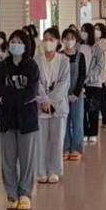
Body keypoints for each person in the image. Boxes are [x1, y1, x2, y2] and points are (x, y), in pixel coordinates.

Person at [0, 30, 41, 210]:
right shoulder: (3, 66)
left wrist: (10, 97)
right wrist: (13, 96)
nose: (15, 44)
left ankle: (25, 194)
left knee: (27, 159)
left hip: (26, 118)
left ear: (26, 45)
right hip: (6, 118)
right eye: (13, 41)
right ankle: (12, 194)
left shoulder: (32, 66)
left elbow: (31, 92)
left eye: (19, 42)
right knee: (8, 159)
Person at [34, 28, 71, 185]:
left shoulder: (64, 61)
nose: (48, 42)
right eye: (45, 39)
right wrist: (44, 100)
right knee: (41, 140)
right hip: (41, 106)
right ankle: (41, 171)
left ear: (57, 42)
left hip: (59, 106)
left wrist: (52, 101)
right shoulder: (36, 60)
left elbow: (64, 83)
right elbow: (35, 82)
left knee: (57, 139)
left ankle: (54, 170)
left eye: (51, 39)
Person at [64, 27, 94, 161]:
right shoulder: (59, 56)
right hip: (62, 94)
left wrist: (75, 93)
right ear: (62, 40)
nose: (69, 41)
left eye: (72, 39)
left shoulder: (80, 56)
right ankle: (65, 147)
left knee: (77, 121)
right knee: (64, 122)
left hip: (77, 93)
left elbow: (82, 76)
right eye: (66, 38)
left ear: (76, 41)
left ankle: (76, 148)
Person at [88, 23, 106, 142]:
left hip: (102, 76)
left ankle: (105, 119)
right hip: (91, 79)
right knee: (96, 101)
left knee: (104, 99)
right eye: (95, 29)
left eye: (98, 29)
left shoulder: (105, 44)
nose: (96, 31)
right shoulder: (91, 44)